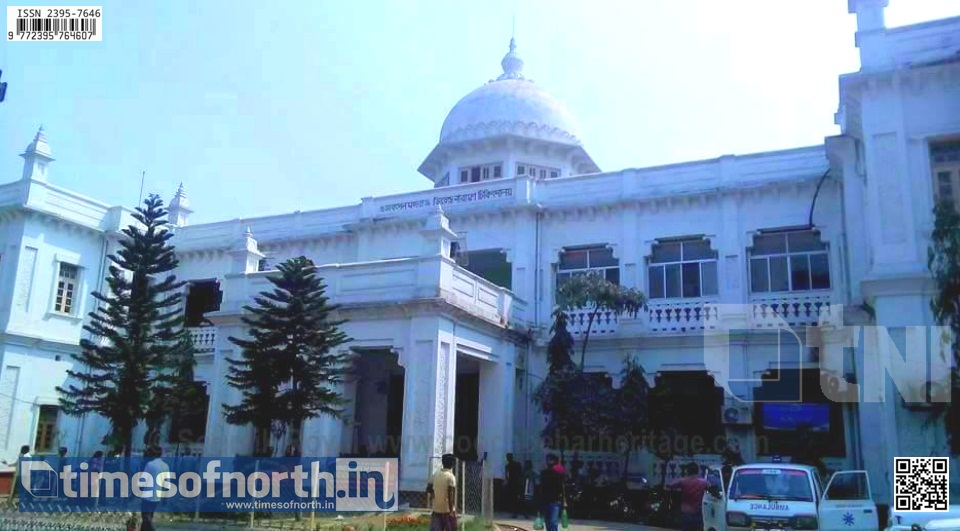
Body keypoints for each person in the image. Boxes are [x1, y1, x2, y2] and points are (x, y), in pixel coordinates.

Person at [668, 463, 711, 531]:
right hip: (698, 511)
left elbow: (671, 485)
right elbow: (710, 489)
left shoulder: (683, 481)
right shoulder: (703, 482)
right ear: (697, 471)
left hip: (686, 510)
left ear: (687, 471)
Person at [426, 453, 457, 531]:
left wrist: (434, 494)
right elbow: (450, 496)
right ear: (452, 464)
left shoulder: (435, 474)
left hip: (436, 509)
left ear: (443, 463)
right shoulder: (451, 477)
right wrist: (451, 511)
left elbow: (428, 488)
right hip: (446, 510)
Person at [141, 446, 169, 531]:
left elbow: (144, 478)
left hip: (147, 494)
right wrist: (165, 498)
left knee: (146, 516)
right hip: (158, 496)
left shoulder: (150, 464)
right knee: (149, 516)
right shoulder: (165, 466)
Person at [538, 454, 565, 531]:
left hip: (555, 500)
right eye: (547, 460)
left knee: (553, 521)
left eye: (550, 460)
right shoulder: (544, 473)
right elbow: (542, 488)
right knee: (548, 522)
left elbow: (562, 487)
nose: (548, 461)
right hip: (546, 499)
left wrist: (564, 500)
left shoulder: (559, 473)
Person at [505, 453, 524, 518]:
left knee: (514, 498)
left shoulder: (508, 466)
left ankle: (516, 512)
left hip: (513, 483)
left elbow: (507, 476)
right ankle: (519, 512)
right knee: (517, 498)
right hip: (516, 483)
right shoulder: (517, 464)